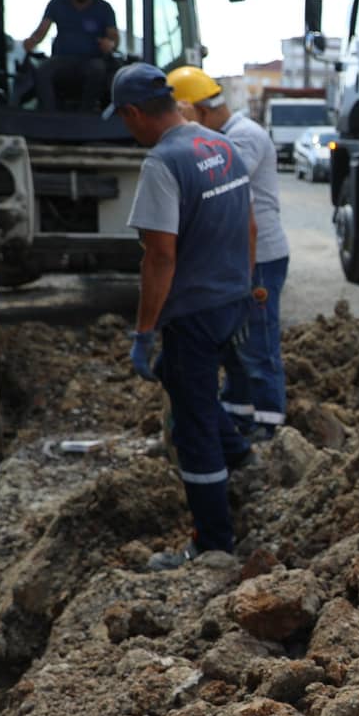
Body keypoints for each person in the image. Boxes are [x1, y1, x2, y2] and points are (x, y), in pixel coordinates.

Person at [111, 62, 256, 567]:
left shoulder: (162, 164)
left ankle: (212, 545)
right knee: (184, 380)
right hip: (231, 301)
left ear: (134, 113)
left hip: (192, 311)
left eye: (123, 119)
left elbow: (161, 257)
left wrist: (144, 331)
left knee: (191, 427)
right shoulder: (220, 145)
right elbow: (250, 224)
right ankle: (239, 455)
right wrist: (249, 284)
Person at [168, 66, 290, 440]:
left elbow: (215, 183)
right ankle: (239, 413)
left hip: (261, 258)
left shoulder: (243, 138)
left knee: (258, 341)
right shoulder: (223, 136)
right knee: (236, 344)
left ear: (195, 109)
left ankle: (269, 426)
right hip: (238, 257)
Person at [22, 0, 119, 111]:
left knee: (99, 69)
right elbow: (42, 30)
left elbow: (114, 37)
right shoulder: (57, 3)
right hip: (62, 59)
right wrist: (32, 41)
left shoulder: (104, 8)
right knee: (42, 71)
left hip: (92, 60)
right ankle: (49, 116)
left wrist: (111, 44)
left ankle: (86, 116)